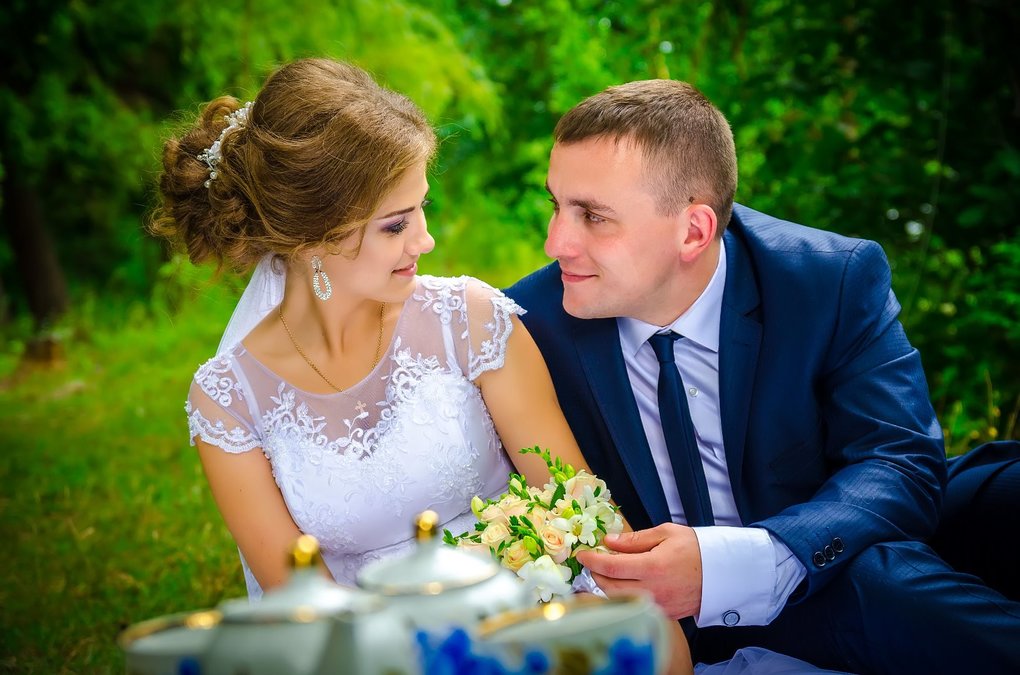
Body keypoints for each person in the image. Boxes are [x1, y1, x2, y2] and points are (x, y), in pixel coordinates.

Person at [505, 79, 1020, 674]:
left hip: (811, 549)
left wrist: (747, 561)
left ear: (693, 231)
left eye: (593, 216)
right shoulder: (526, 326)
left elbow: (900, 459)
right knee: (886, 590)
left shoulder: (825, 280)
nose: (556, 243)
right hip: (691, 610)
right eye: (557, 205)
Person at [150, 57, 593, 600]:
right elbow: (303, 602)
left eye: (422, 207)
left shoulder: (470, 321)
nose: (425, 240)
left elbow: (579, 509)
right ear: (312, 238)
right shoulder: (227, 401)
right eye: (395, 225)